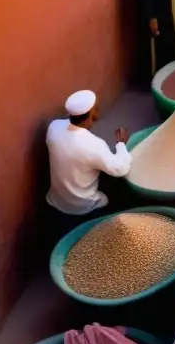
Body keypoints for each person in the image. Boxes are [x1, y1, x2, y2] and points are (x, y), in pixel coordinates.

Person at [46, 90, 131, 242]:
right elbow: (120, 168)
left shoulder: (53, 128)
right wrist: (121, 144)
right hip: (83, 208)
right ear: (90, 115)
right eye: (96, 109)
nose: (98, 111)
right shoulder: (94, 145)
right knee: (117, 185)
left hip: (57, 203)